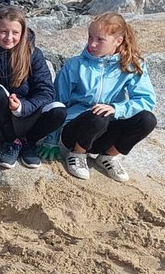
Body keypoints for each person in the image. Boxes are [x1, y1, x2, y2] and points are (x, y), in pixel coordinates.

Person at [53, 13, 157, 182]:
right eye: (90, 37)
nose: (92, 44)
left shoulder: (131, 65)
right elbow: (57, 102)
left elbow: (146, 100)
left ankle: (108, 156)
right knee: (98, 116)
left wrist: (117, 109)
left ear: (118, 41)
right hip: (75, 132)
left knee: (148, 119)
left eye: (100, 39)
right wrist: (50, 141)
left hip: (105, 132)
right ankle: (77, 154)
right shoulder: (75, 65)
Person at [0, 7, 66, 168]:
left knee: (59, 110)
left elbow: (46, 92)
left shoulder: (33, 54)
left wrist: (21, 107)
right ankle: (11, 141)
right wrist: (1, 107)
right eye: (3, 31)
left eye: (15, 33)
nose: (9, 37)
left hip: (27, 115)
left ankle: (28, 142)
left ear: (23, 33)